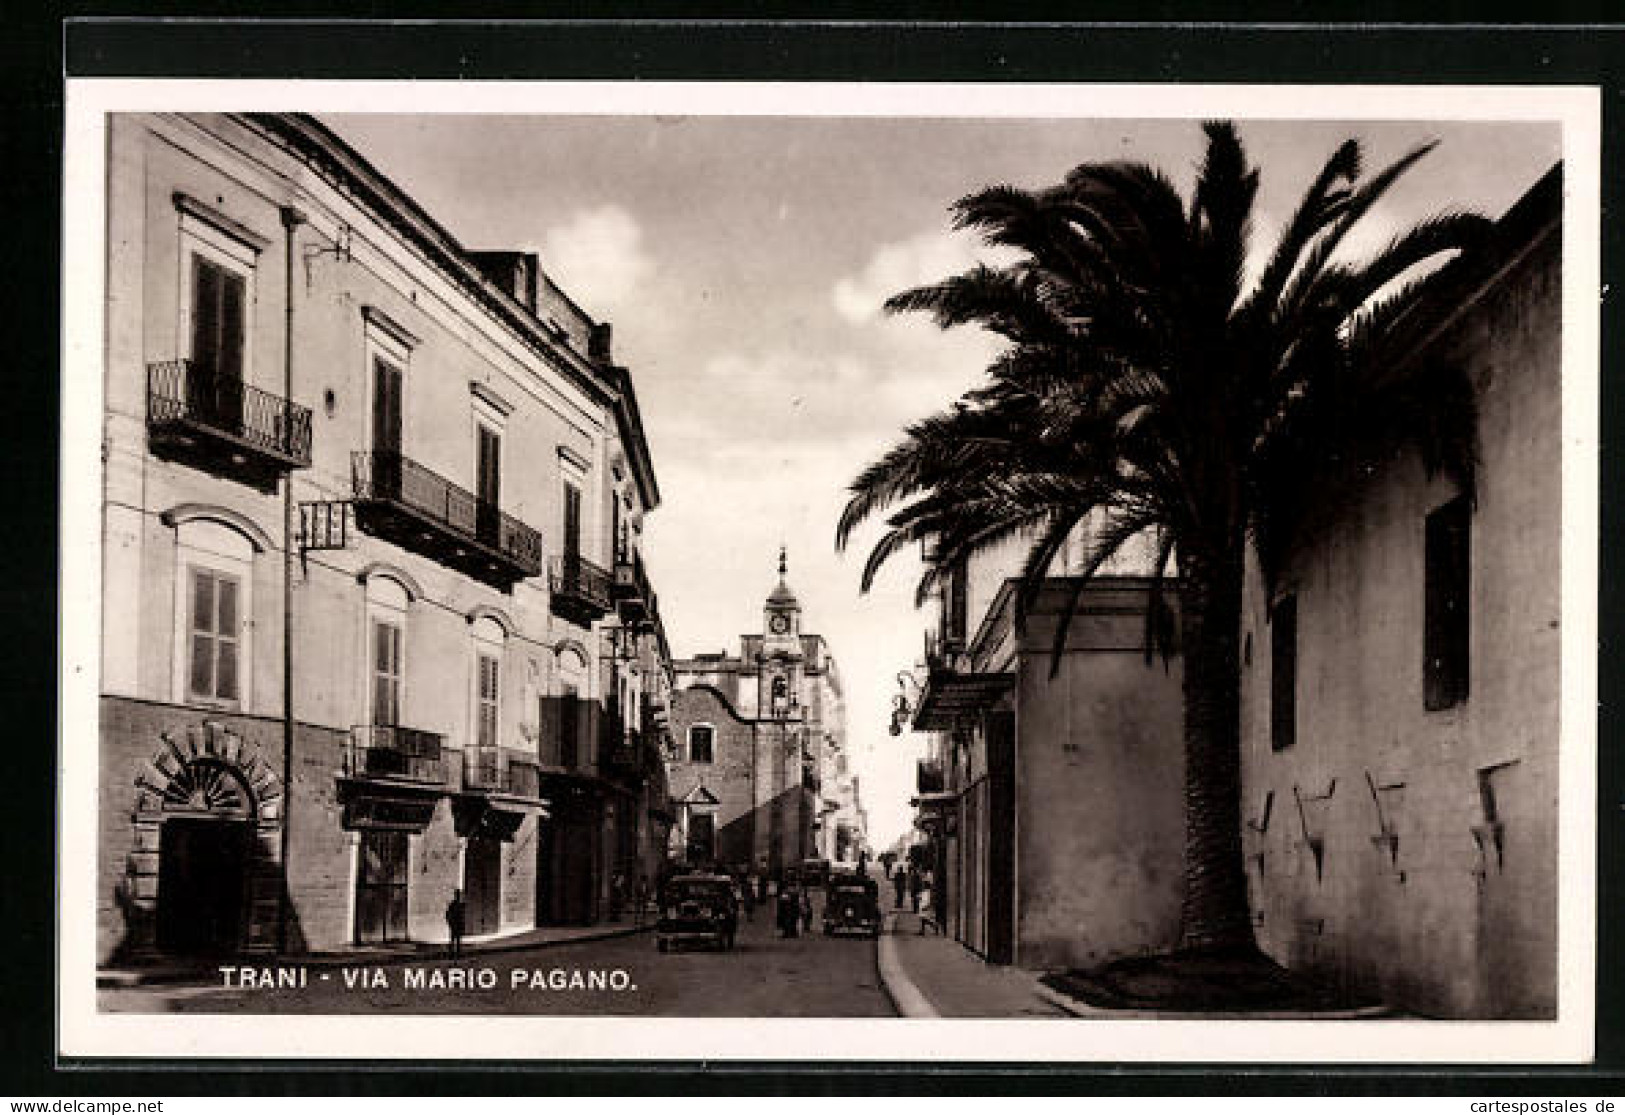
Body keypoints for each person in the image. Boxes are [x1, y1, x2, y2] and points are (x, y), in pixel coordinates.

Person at [445, 888, 466, 959]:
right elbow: (448, 914)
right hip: (455, 924)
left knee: (457, 940)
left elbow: (462, 916)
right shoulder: (454, 905)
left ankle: (456, 953)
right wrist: (451, 923)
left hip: (457, 924)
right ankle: (452, 954)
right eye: (458, 895)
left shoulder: (459, 905)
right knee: (454, 940)